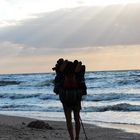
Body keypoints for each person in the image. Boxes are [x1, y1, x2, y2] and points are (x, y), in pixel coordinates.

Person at [53, 58, 87, 140]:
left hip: (65, 99)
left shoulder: (61, 74)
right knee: (77, 119)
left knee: (68, 120)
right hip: (76, 98)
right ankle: (77, 137)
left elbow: (56, 90)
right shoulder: (77, 75)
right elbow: (83, 89)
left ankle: (72, 138)